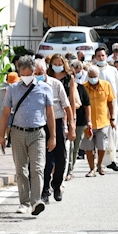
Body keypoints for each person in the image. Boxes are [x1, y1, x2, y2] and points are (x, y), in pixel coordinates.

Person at [0, 55, 56, 216]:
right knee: (21, 169)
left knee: (37, 168)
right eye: (23, 74)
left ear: (35, 71)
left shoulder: (45, 88)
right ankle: (24, 203)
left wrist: (53, 136)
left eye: (29, 73)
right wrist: (1, 136)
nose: (26, 77)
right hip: (17, 133)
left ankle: (36, 201)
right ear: (19, 72)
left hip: (38, 133)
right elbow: (5, 114)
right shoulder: (12, 89)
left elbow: (50, 114)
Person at [33, 58, 75, 203]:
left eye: (41, 72)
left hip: (57, 122)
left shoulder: (56, 84)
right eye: (36, 72)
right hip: (40, 123)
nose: (38, 75)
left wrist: (72, 126)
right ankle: (44, 190)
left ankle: (56, 185)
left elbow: (68, 106)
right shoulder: (32, 85)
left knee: (61, 157)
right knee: (44, 159)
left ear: (46, 71)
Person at [44, 55, 79, 194]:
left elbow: (70, 101)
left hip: (61, 117)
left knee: (62, 155)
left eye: (60, 63)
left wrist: (72, 123)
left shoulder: (68, 78)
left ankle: (57, 183)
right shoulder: (47, 77)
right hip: (46, 119)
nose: (57, 65)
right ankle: (45, 187)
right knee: (47, 155)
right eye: (55, 63)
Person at [93, 47, 118, 172]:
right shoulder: (92, 71)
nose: (101, 58)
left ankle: (112, 160)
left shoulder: (113, 71)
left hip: (112, 107)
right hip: (98, 108)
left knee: (113, 134)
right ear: (95, 57)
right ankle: (99, 162)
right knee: (100, 134)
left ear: (106, 56)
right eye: (99, 56)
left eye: (103, 55)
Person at [81, 65, 116, 177]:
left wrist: (112, 118)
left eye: (95, 76)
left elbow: (110, 102)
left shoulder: (106, 85)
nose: (93, 78)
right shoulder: (83, 87)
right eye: (90, 76)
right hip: (88, 123)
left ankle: (100, 164)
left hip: (103, 121)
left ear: (98, 76)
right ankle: (92, 169)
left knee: (102, 146)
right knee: (89, 148)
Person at [67, 60, 91, 175]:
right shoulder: (62, 87)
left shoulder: (81, 88)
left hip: (79, 121)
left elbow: (86, 105)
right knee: (67, 147)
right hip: (65, 120)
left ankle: (70, 169)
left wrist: (89, 121)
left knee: (75, 147)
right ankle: (65, 169)